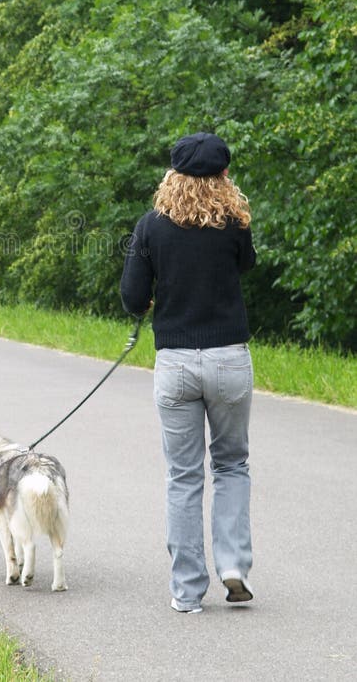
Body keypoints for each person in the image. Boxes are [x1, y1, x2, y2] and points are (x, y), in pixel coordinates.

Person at [121, 132, 257, 614]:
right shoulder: (235, 223)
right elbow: (245, 267)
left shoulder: (150, 227)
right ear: (224, 176)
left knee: (183, 476)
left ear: (172, 176)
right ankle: (235, 565)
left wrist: (159, 294)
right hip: (228, 361)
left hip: (176, 363)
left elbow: (133, 298)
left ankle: (186, 592)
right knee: (232, 464)